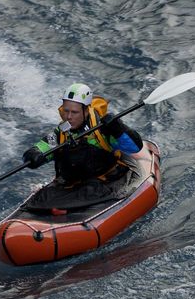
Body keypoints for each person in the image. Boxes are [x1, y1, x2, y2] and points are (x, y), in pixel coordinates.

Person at [21, 83, 144, 212]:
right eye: (66, 111)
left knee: (90, 190)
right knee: (42, 197)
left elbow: (135, 147)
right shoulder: (61, 133)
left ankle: (69, 208)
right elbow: (43, 147)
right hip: (75, 183)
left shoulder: (103, 128)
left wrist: (118, 128)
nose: (68, 117)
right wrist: (32, 154)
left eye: (74, 112)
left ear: (86, 111)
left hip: (106, 181)